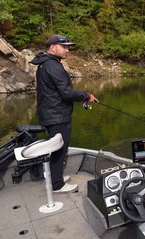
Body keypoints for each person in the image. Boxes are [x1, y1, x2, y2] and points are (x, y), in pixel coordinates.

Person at [31, 34, 99, 193]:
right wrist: (86, 96)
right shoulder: (53, 65)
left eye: (68, 47)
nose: (68, 50)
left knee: (57, 149)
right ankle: (57, 186)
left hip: (51, 114)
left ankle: (56, 179)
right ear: (53, 47)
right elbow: (67, 93)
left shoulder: (45, 63)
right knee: (59, 150)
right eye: (64, 47)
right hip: (57, 116)